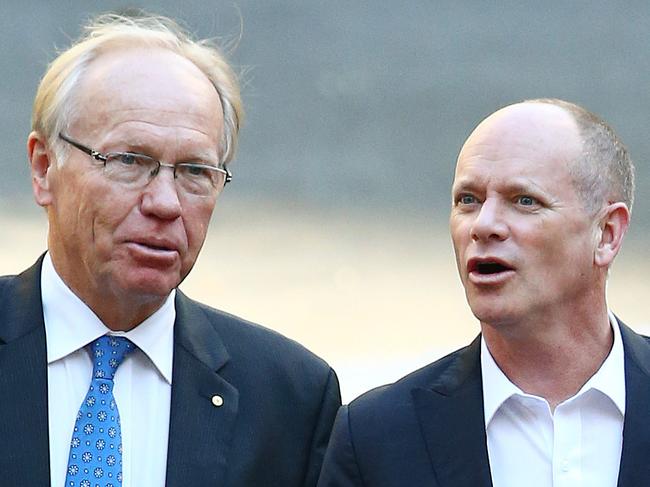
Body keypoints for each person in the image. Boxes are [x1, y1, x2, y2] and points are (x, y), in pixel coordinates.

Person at [0, 12, 340, 487]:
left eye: (195, 172)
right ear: (43, 169)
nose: (165, 203)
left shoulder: (289, 398)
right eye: (130, 161)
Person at [317, 99, 650, 487]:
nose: (484, 225)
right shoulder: (378, 437)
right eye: (468, 200)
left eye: (525, 201)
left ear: (607, 234)